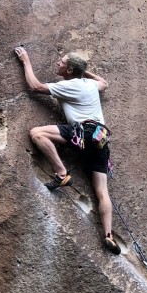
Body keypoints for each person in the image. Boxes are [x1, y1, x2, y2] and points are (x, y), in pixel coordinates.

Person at [14, 46, 120, 255]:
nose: (58, 63)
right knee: (102, 191)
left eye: (62, 62)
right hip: (100, 138)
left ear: (70, 70)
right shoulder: (89, 84)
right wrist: (83, 71)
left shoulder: (70, 86)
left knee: (37, 133)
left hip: (83, 132)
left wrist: (26, 61)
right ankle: (108, 235)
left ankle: (62, 173)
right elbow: (104, 84)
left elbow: (35, 87)